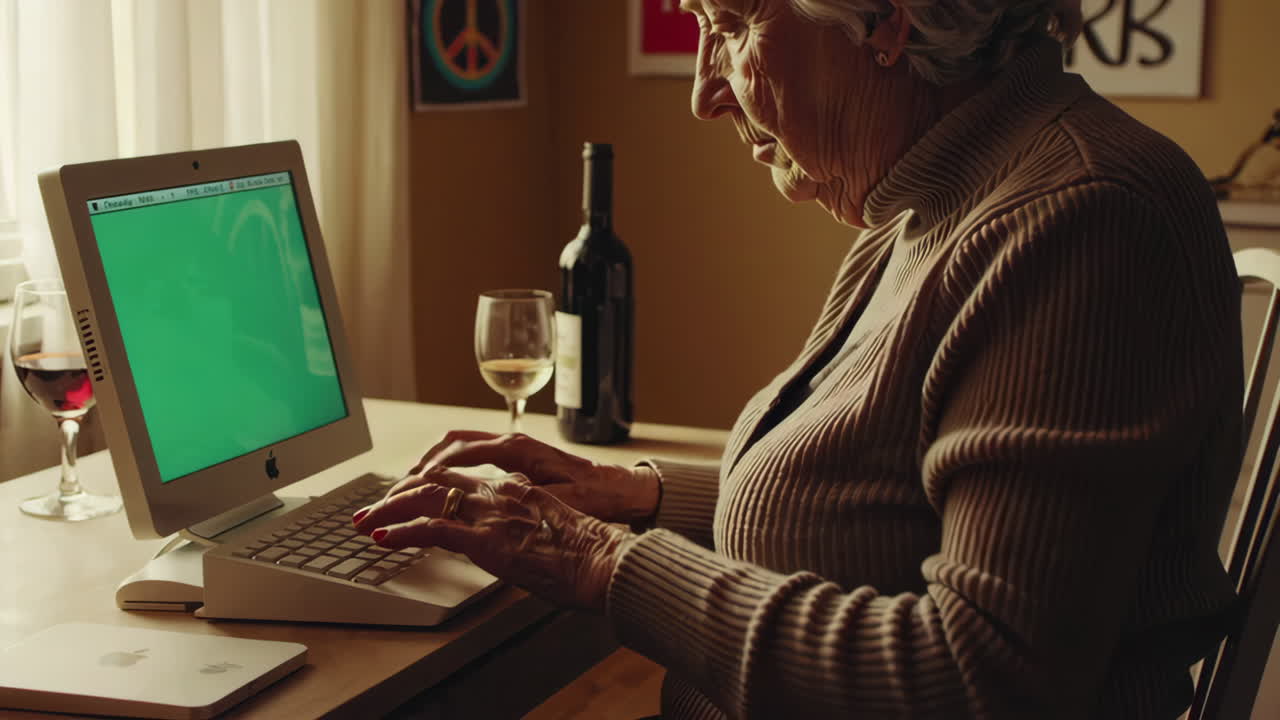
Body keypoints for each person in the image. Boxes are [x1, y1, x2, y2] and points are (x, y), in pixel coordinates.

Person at [354, 0, 1243, 717]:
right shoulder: (930, 194)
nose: (702, 93)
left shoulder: (1084, 219)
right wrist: (644, 495)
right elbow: (881, 500)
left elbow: (986, 678)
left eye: (732, 25)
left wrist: (604, 560)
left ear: (889, 20)